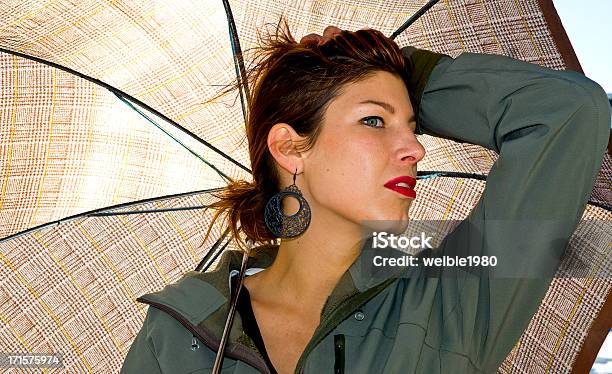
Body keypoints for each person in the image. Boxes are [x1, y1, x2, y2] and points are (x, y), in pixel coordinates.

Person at [120, 22, 610, 374]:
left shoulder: (449, 303)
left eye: (414, 127)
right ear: (291, 148)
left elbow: (569, 113)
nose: (415, 148)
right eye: (374, 121)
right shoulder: (179, 329)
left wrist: (411, 72)